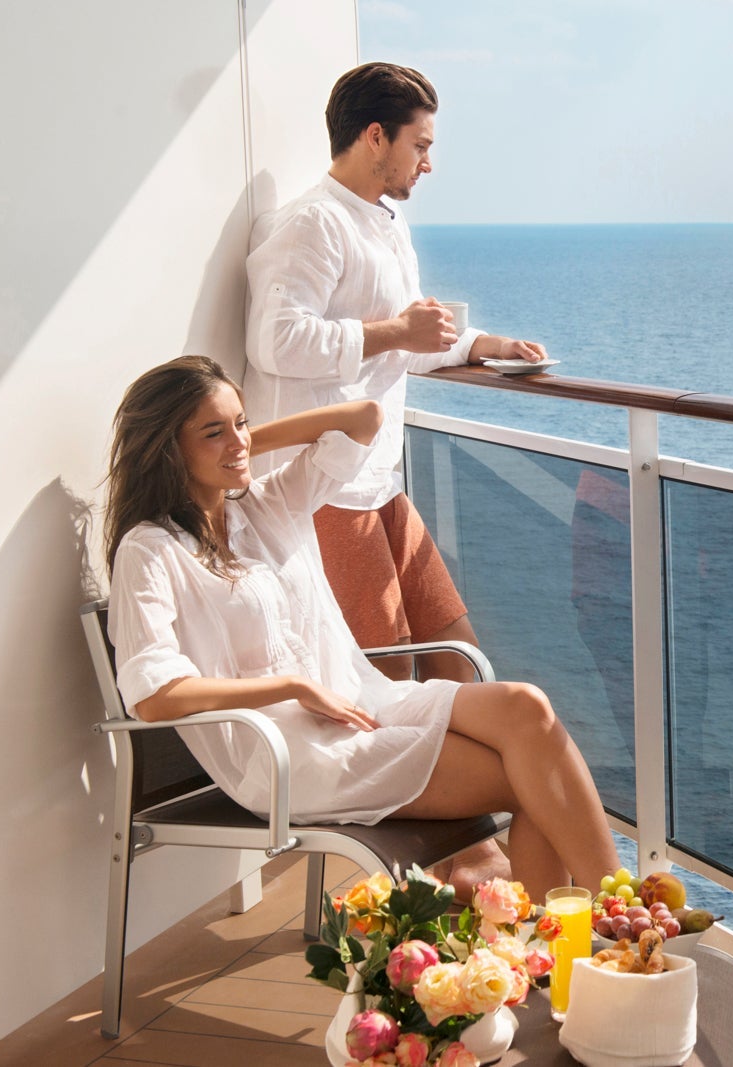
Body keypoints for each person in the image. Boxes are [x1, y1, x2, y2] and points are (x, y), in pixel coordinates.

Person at [104, 356, 618, 898]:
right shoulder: (150, 551)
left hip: (363, 701)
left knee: (526, 708)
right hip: (291, 759)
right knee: (535, 781)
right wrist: (293, 687)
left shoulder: (264, 505)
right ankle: (605, 939)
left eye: (242, 422)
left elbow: (364, 418)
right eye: (214, 431)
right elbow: (156, 698)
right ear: (167, 449)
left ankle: (617, 915)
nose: (239, 441)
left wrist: (235, 448)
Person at [243, 61, 546, 684]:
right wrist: (396, 332)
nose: (427, 164)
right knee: (388, 678)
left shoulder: (386, 224)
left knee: (461, 658)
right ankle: (417, 782)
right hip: (322, 485)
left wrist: (482, 344)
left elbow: (397, 342)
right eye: (421, 145)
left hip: (380, 479)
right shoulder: (311, 223)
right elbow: (274, 341)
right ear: (375, 136)